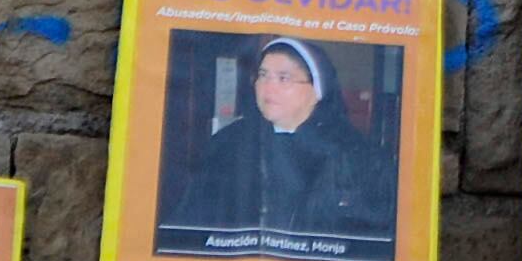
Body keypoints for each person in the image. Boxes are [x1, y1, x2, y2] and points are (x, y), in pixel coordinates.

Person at [168, 37, 397, 247]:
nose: (268, 87)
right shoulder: (226, 144)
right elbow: (190, 224)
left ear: (317, 90)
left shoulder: (359, 157)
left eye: (283, 78)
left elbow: (371, 239)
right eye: (263, 75)